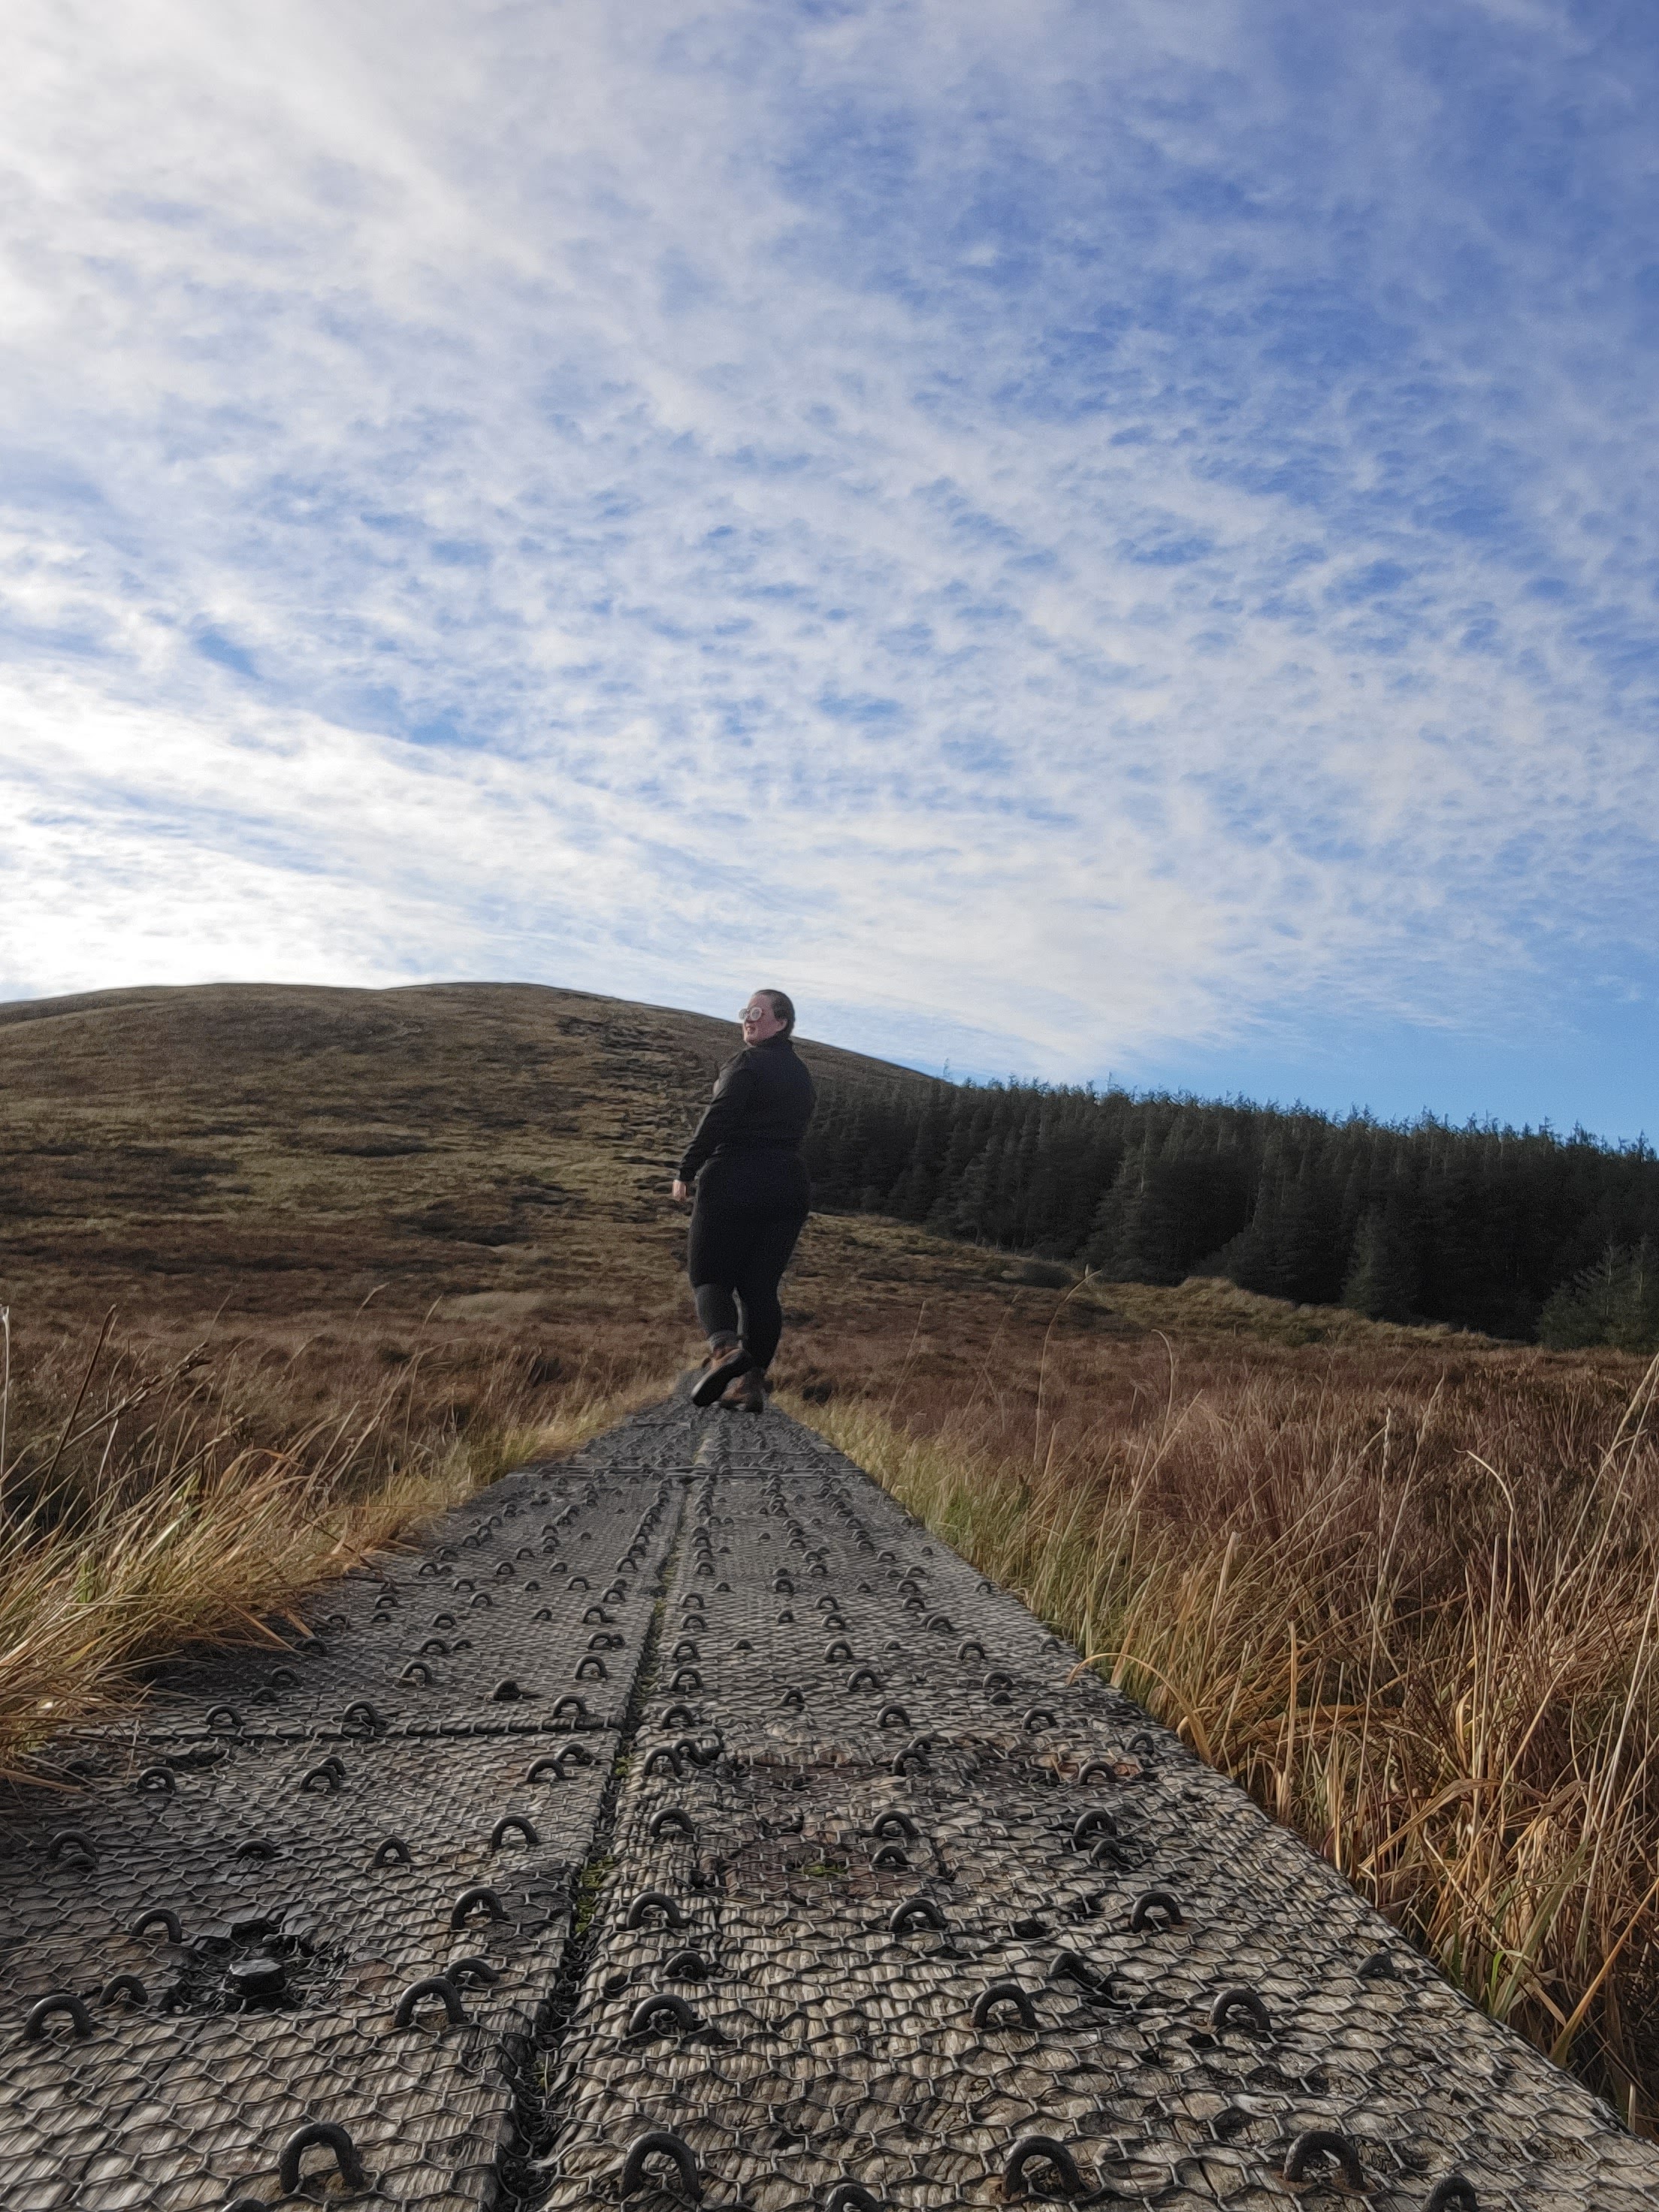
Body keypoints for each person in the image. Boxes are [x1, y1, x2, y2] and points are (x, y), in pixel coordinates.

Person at [672, 988, 815, 1413]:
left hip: (734, 1177)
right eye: (745, 1012)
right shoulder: (802, 1075)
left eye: (757, 1012)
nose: (748, 1019)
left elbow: (719, 1115)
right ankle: (751, 1386)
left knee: (708, 1276)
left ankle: (725, 1352)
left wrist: (686, 1169)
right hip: (788, 1184)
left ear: (781, 1022)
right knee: (760, 1288)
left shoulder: (747, 1063)